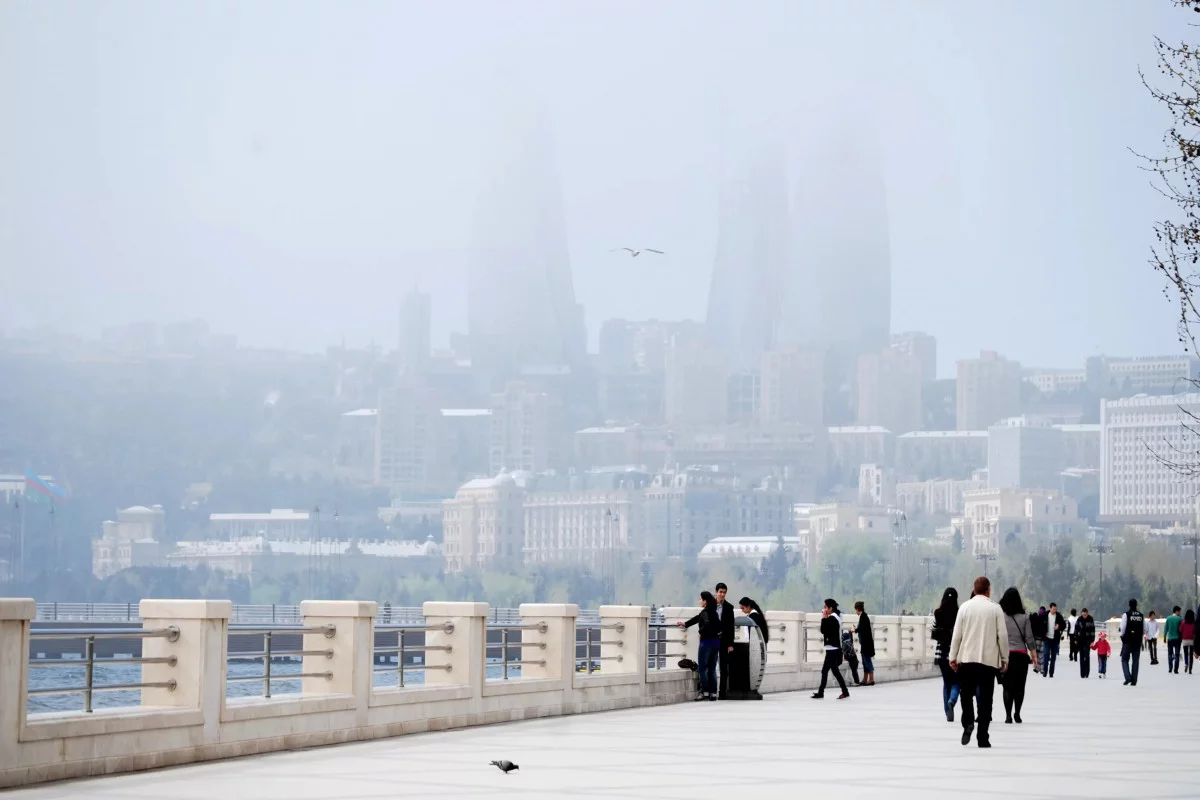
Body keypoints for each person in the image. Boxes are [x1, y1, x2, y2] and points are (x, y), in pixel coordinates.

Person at [949, 576, 1009, 748]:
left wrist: (952, 657)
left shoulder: (964, 608)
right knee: (986, 700)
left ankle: (968, 721)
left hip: (966, 660)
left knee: (966, 695)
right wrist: (1004, 659)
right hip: (988, 662)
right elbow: (1003, 637)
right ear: (988, 590)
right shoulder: (995, 609)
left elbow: (957, 635)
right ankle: (983, 737)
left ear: (974, 590)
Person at [998, 586, 1035, 725]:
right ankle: (1017, 714)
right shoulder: (1024, 617)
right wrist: (1034, 656)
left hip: (1006, 656)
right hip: (1020, 656)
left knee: (1007, 687)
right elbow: (1029, 638)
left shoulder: (1001, 617)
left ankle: (1008, 716)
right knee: (1020, 687)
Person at [678, 591, 721, 700]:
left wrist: (700, 632)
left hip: (706, 643)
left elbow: (706, 624)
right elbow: (698, 618)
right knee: (712, 668)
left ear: (705, 601)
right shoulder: (713, 612)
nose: (699, 601)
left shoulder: (706, 612)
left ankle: (705, 692)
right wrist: (686, 624)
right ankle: (713, 693)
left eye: (701, 599)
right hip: (716, 642)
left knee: (702, 668)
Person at [931, 587, 960, 722]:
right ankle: (952, 701)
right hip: (955, 651)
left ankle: (947, 710)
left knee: (946, 682)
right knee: (956, 680)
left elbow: (934, 631)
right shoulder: (959, 613)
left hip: (941, 651)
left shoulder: (937, 613)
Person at [812, 598, 850, 700]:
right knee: (826, 671)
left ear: (830, 608)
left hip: (833, 650)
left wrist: (823, 618)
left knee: (832, 671)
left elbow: (823, 630)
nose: (824, 609)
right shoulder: (834, 618)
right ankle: (822, 692)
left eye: (825, 607)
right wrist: (825, 618)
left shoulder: (833, 619)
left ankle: (844, 692)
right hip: (831, 649)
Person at [713, 583, 736, 698]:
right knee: (710, 666)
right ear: (716, 592)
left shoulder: (729, 607)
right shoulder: (710, 605)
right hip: (711, 640)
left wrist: (730, 644)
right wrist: (686, 624)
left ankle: (722, 692)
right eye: (720, 592)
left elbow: (731, 626)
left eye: (724, 592)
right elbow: (701, 617)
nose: (722, 594)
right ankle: (710, 691)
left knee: (723, 667)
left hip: (724, 641)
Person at [1119, 598, 1145, 686]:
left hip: (1128, 640)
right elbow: (1145, 629)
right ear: (1136, 605)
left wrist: (1122, 636)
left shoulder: (1126, 615)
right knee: (1135, 661)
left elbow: (1123, 628)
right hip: (1137, 641)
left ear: (1129, 605)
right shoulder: (1141, 615)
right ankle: (1134, 681)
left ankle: (1128, 677)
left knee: (1124, 659)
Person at [854, 601, 876, 686]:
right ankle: (865, 679)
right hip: (864, 644)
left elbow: (862, 629)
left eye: (855, 609)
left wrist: (855, 630)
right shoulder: (863, 617)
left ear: (857, 609)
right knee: (864, 661)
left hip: (866, 644)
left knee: (867, 660)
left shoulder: (864, 617)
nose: (855, 611)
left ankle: (871, 679)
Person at [1041, 603, 1065, 678]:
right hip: (1047, 639)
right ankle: (1045, 671)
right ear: (1050, 608)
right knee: (1046, 655)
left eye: (1055, 609)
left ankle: (1051, 673)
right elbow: (1040, 625)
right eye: (1053, 609)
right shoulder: (1045, 615)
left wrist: (1059, 627)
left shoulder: (1059, 616)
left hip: (1055, 639)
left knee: (1053, 657)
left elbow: (1064, 625)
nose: (1055, 610)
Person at [1075, 608, 1096, 679]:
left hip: (1088, 640)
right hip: (1080, 640)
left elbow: (1093, 630)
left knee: (1087, 656)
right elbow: (1076, 629)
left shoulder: (1090, 619)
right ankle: (1082, 673)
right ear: (1081, 613)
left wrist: (1092, 641)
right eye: (1083, 614)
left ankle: (1087, 672)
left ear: (1087, 613)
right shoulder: (1079, 619)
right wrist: (1075, 638)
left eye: (1085, 614)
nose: (1084, 616)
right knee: (1081, 656)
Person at [1165, 606, 1184, 674]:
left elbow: (1166, 628)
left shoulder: (1168, 618)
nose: (1180, 613)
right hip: (1177, 639)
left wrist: (1164, 637)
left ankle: (1170, 668)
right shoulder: (1180, 619)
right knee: (1177, 654)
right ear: (1176, 611)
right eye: (1179, 611)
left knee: (1170, 654)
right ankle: (1176, 669)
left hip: (1170, 639)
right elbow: (1181, 629)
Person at [1181, 609, 1196, 674]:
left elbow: (1180, 630)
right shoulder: (1194, 623)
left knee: (1186, 653)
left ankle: (1186, 663)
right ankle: (1190, 669)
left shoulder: (1183, 622)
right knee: (1191, 655)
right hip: (1192, 640)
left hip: (1185, 640)